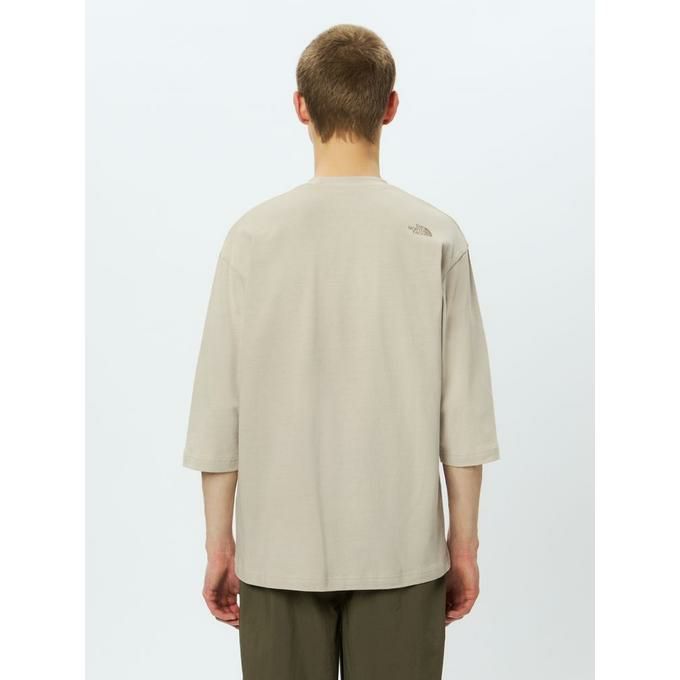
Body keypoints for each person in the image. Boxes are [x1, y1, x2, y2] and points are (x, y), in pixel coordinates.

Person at [183, 23, 500, 680]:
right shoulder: (436, 237)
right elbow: (465, 414)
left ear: (301, 107)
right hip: (401, 550)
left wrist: (219, 543)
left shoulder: (252, 239)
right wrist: (464, 545)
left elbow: (219, 409)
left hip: (278, 551)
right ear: (390, 106)